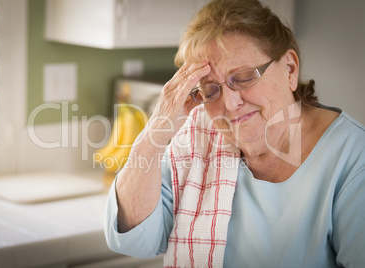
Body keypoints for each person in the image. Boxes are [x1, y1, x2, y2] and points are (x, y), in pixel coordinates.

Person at [104, 0, 365, 267]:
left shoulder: (353, 157)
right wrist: (155, 132)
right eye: (210, 90)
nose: (229, 104)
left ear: (289, 68)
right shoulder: (198, 135)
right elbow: (136, 238)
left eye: (243, 77)